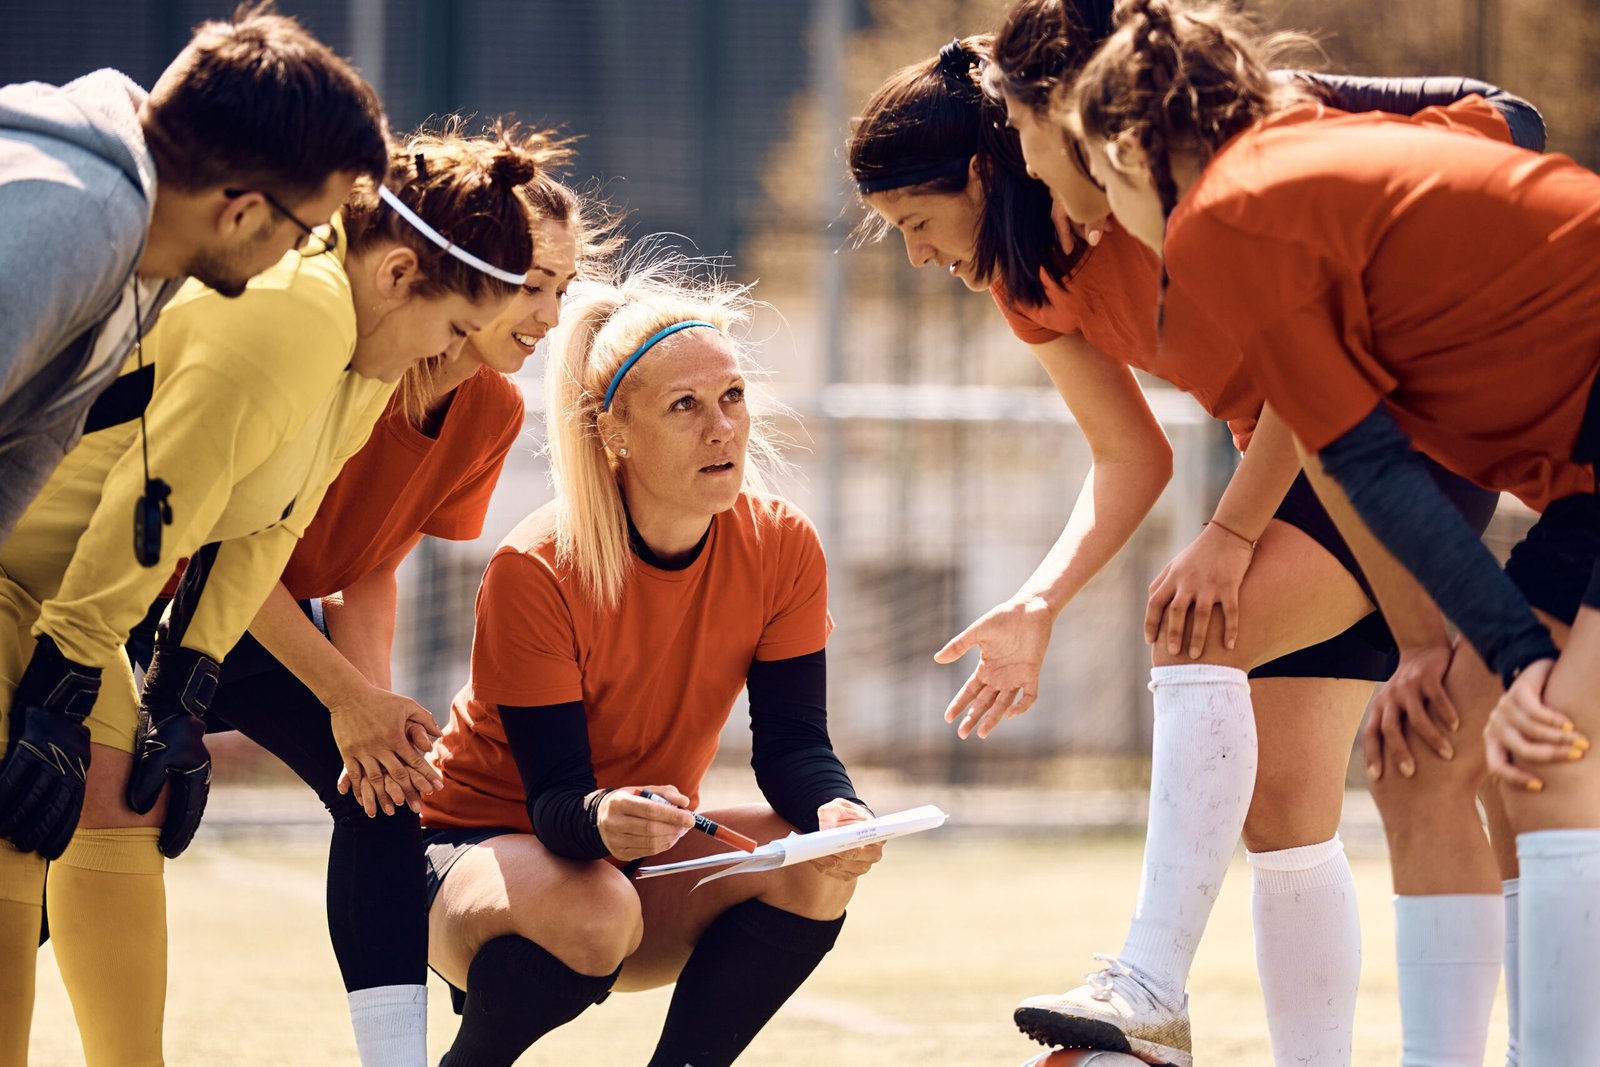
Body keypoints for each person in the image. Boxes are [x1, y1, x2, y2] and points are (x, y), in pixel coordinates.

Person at [847, 14, 1540, 1065]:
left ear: (993, 168)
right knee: (1284, 817)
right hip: (1296, 457)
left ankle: (1148, 983)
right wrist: (1040, 599)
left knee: (1193, 625)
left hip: (1390, 434)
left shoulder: (1162, 186)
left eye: (916, 217)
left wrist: (1228, 533)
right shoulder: (1024, 280)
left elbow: (1309, 368)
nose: (914, 251)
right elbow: (1130, 456)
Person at [1063, 1, 1600, 1063]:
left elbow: (1364, 465)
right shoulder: (1293, 150)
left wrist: (1517, 655)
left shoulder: (1225, 218)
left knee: (1546, 751)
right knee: (1422, 755)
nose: (1093, 217)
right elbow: (1359, 458)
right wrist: (1433, 650)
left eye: (1096, 182)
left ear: (1131, 151)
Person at [0, 125, 545, 1067]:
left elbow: (264, 530)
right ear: (397, 276)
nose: (455, 352)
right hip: (28, 580)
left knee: (123, 802)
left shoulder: (366, 362)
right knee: (18, 830)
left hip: (70, 595)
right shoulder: (291, 317)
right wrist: (59, 690)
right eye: (457, 327)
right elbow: (158, 503)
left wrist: (180, 688)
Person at [186, 163, 603, 1067]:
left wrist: (368, 714)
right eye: (533, 286)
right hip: (171, 602)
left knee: (382, 798)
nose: (549, 316)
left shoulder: (489, 406)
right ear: (468, 263)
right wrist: (345, 697)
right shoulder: (339, 356)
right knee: (100, 811)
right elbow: (228, 554)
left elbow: (371, 562)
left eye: (563, 290)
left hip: (276, 622)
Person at [419, 262, 883, 1067]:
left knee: (814, 867)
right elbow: (558, 800)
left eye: (733, 396)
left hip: (629, 856)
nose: (723, 427)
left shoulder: (783, 545)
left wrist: (837, 809)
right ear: (615, 432)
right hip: (478, 846)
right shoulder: (538, 564)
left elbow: (793, 749)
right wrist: (602, 818)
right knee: (596, 910)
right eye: (686, 406)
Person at [0, 3, 389, 542]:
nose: (298, 252)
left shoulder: (153, 249)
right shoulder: (77, 220)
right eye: (307, 231)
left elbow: (19, 455)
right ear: (242, 213)